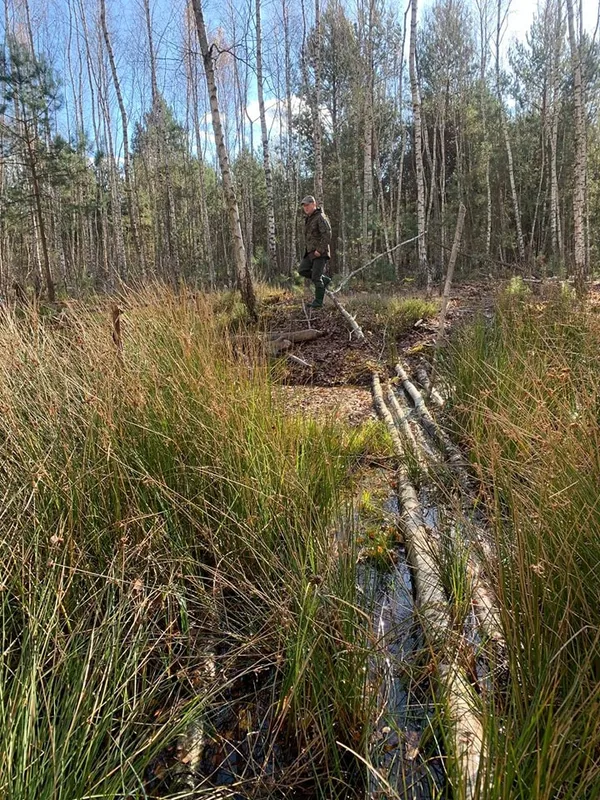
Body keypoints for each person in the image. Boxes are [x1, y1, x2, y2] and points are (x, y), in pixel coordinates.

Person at [298, 195, 332, 308]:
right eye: (304, 206)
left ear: (314, 204)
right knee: (302, 270)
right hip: (310, 252)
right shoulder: (309, 218)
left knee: (316, 277)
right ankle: (324, 280)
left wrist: (320, 249)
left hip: (319, 253)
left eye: (307, 205)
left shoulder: (320, 217)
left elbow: (327, 234)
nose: (305, 208)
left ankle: (318, 302)